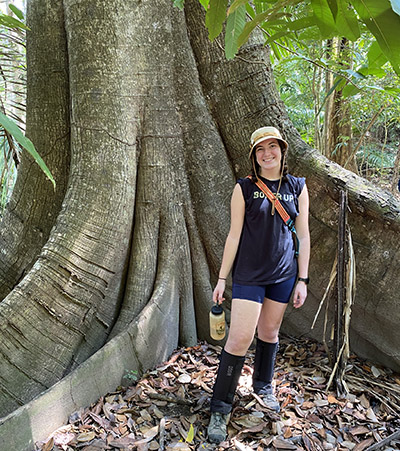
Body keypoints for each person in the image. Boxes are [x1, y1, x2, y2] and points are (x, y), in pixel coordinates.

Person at [207, 126, 310, 444]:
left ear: (282, 150)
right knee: (238, 339)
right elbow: (234, 235)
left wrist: (302, 279)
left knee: (269, 333)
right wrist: (222, 278)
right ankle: (220, 407)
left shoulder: (298, 186)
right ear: (254, 156)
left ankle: (263, 385)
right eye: (260, 149)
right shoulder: (245, 188)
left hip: (283, 276)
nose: (268, 153)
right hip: (250, 276)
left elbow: (304, 235)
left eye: (273, 147)